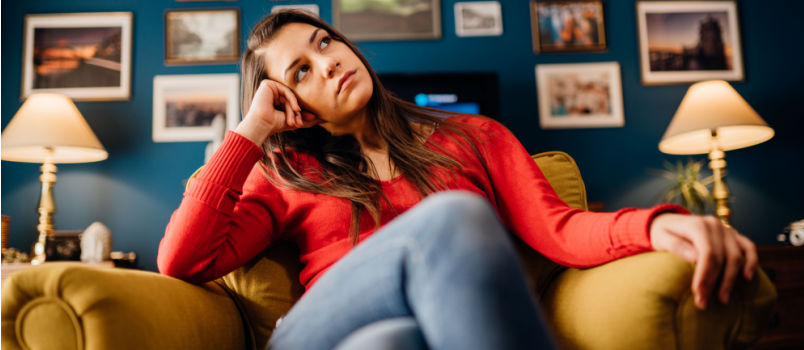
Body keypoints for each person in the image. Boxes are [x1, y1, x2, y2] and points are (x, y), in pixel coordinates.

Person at [157, 10, 759, 350]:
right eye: (302, 70)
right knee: (450, 218)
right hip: (314, 335)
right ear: (293, 103)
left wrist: (661, 226)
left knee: (392, 345)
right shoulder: (284, 173)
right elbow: (182, 261)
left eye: (325, 41)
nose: (331, 60)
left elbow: (562, 231)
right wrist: (253, 129)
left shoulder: (474, 137)